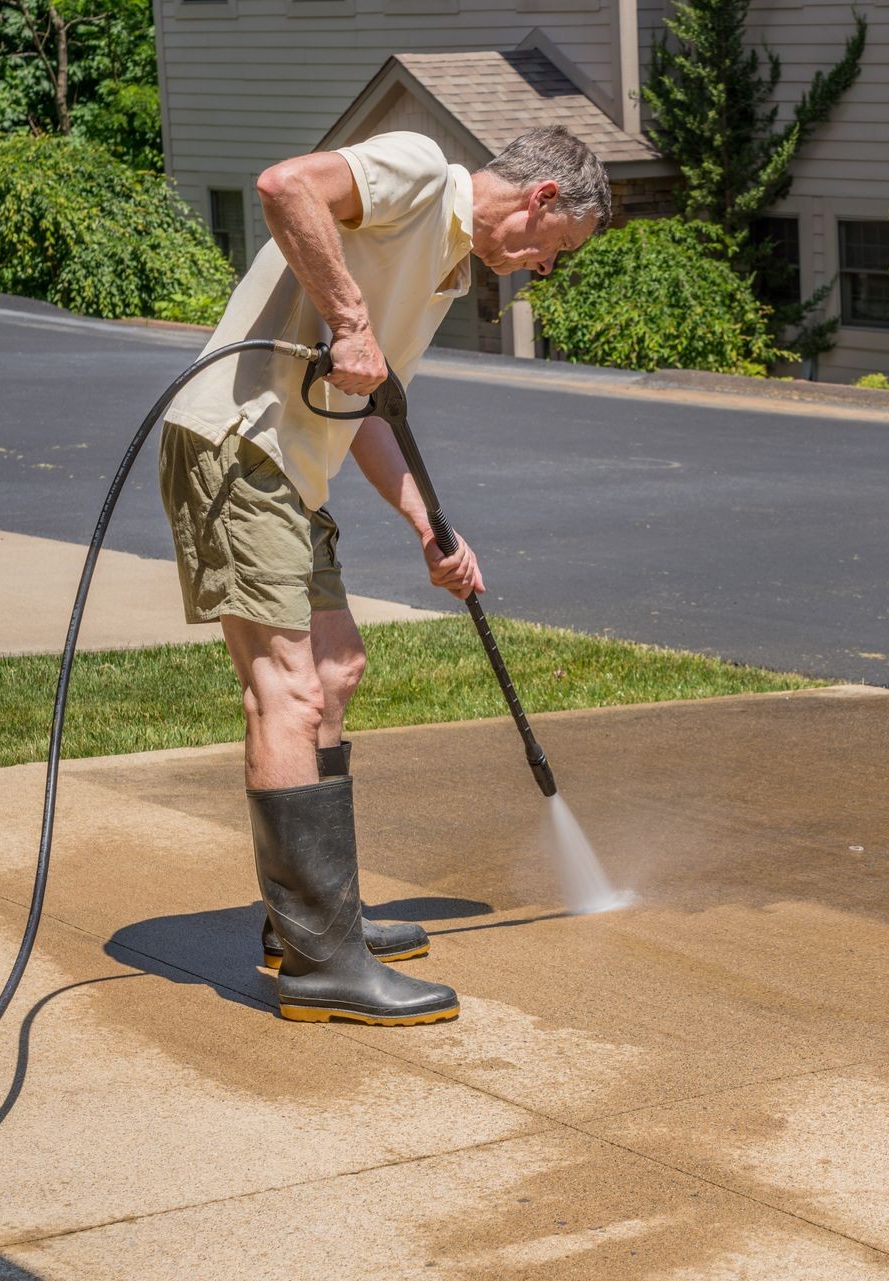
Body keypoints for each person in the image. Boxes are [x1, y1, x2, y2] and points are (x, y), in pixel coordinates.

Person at [158, 126, 609, 1025]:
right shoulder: (416, 171)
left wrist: (428, 527)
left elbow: (363, 401)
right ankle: (323, 960)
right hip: (239, 445)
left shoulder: (441, 267)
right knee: (286, 689)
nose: (540, 270)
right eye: (553, 252)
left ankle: (318, 916)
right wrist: (354, 322)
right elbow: (285, 183)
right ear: (541, 200)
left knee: (335, 672)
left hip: (290, 466)